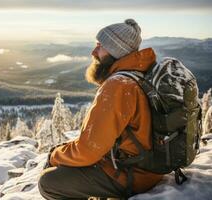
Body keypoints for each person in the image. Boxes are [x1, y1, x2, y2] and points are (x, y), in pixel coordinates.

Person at [38, 19, 164, 200]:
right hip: (147, 168)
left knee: (49, 183)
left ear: (116, 51)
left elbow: (89, 150)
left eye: (100, 46)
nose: (93, 52)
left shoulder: (118, 85)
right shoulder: (142, 72)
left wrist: (54, 155)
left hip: (133, 175)